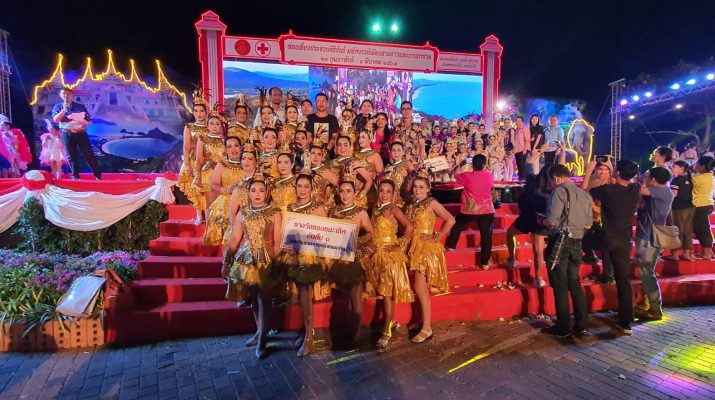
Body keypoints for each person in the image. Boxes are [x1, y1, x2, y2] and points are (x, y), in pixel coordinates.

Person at [223, 173, 284, 359]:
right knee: (254, 298)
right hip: (247, 262)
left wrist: (271, 260)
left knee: (265, 299)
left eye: (261, 190)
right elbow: (235, 239)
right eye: (253, 190)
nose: (257, 194)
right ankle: (259, 331)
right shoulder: (243, 213)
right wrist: (226, 261)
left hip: (266, 261)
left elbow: (278, 241)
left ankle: (263, 338)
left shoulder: (275, 213)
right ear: (248, 193)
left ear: (267, 193)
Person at [277, 174, 329, 357]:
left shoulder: (318, 208)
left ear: (312, 188)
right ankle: (305, 330)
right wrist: (287, 246)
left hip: (310, 257)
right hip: (295, 256)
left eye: (306, 186)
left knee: (306, 295)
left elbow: (326, 235)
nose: (303, 190)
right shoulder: (291, 207)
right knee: (299, 294)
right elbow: (286, 232)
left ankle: (309, 337)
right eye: (299, 186)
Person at [588, 160, 641, 335]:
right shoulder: (635, 189)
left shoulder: (607, 190)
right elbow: (629, 181)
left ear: (617, 172)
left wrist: (589, 171)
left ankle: (603, 271)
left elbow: (586, 190)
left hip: (608, 237)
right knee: (623, 279)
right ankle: (626, 321)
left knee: (585, 242)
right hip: (625, 239)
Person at [541, 164, 593, 338]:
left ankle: (563, 327)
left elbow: (552, 220)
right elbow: (588, 224)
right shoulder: (584, 194)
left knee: (560, 285)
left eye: (550, 180)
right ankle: (582, 325)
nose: (550, 183)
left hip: (560, 242)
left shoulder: (559, 192)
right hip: (577, 242)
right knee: (575, 284)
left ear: (556, 178)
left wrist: (541, 221)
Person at [405, 172, 455, 343]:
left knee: (420, 287)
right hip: (415, 248)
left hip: (426, 249)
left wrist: (436, 237)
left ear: (428, 188)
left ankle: (427, 328)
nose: (417, 190)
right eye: (415, 187)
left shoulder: (432, 203)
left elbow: (450, 219)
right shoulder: (412, 203)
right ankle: (422, 321)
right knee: (420, 287)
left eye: (421, 187)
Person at [328, 177, 376, 348]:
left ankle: (356, 336)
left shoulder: (361, 212)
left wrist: (355, 242)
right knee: (346, 297)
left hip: (354, 259)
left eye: (349, 191)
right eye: (342, 191)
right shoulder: (333, 211)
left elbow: (371, 233)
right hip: (339, 259)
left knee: (355, 298)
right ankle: (351, 329)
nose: (345, 195)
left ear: (355, 193)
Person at [371, 180, 414, 352]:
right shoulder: (375, 209)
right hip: (376, 254)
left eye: (388, 191)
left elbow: (409, 226)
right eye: (382, 191)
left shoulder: (394, 209)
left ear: (393, 193)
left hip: (389, 256)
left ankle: (386, 331)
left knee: (387, 294)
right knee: (381, 292)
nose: (384, 194)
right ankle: (389, 322)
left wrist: (400, 245)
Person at [634, 167, 673, 321]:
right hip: (650, 235)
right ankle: (647, 304)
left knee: (647, 272)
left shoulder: (661, 191)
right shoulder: (663, 191)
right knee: (647, 271)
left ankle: (655, 308)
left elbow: (641, 189)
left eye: (649, 176)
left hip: (649, 237)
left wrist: (644, 179)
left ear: (654, 179)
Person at [445, 155, 495, 269]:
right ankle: (485, 262)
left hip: (470, 209)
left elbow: (455, 175)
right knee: (486, 236)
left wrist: (460, 165)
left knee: (457, 224)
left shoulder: (467, 175)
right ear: (484, 164)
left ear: (472, 164)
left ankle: (451, 245)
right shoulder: (489, 176)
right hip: (487, 210)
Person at [203, 136, 245, 246]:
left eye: (236, 146)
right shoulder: (222, 164)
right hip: (226, 202)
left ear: (241, 147)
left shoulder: (247, 162)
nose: (233, 149)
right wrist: (227, 189)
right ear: (225, 150)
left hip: (244, 202)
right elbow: (213, 185)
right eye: (230, 146)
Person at [51, 87, 101, 180]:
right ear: (60, 95)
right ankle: (76, 177)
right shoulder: (57, 107)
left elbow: (89, 122)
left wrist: (80, 120)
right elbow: (56, 119)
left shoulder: (80, 106)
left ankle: (98, 176)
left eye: (68, 94)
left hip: (81, 133)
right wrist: (63, 110)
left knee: (89, 154)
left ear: (72, 95)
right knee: (71, 156)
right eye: (64, 94)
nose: (66, 96)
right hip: (67, 133)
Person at [581, 157, 616, 283]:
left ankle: (609, 275)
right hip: (592, 218)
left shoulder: (612, 182)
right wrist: (588, 172)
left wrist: (610, 166)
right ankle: (590, 255)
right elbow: (583, 191)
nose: (602, 172)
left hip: (607, 220)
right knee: (583, 238)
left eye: (605, 169)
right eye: (600, 169)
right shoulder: (592, 180)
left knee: (605, 248)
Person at [179, 89, 209, 224]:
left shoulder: (210, 127)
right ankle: (199, 215)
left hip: (207, 161)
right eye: (196, 111)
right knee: (195, 188)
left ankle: (208, 215)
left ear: (206, 112)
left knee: (206, 188)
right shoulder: (189, 127)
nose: (199, 114)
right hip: (193, 161)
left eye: (201, 111)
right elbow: (186, 146)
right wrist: (187, 164)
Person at [195, 109, 226, 220]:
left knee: (221, 204)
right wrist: (198, 177)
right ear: (207, 126)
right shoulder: (203, 140)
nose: (214, 126)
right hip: (208, 174)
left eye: (217, 124)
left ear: (221, 126)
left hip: (222, 175)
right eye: (212, 123)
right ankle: (209, 228)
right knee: (210, 204)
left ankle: (220, 229)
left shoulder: (225, 141)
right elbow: (198, 160)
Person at [668, 160, 695, 261]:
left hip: (678, 208)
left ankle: (675, 255)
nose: (672, 168)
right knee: (688, 230)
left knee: (677, 230)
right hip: (690, 207)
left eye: (674, 166)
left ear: (682, 168)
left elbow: (673, 194)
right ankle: (686, 253)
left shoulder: (676, 180)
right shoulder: (690, 179)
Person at [691, 156, 715, 260]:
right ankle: (709, 251)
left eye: (697, 163)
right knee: (705, 228)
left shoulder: (697, 178)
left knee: (702, 229)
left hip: (700, 205)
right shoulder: (711, 176)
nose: (695, 165)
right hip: (708, 204)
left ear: (702, 166)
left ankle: (706, 253)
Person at [383, 141, 415, 206]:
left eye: (399, 150)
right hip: (388, 197)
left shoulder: (406, 163)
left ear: (403, 152)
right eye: (393, 150)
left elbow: (414, 176)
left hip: (402, 197)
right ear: (390, 152)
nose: (396, 153)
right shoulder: (388, 166)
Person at [511, 116, 531, 180]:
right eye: (517, 121)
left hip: (523, 149)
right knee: (518, 164)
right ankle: (520, 177)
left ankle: (523, 178)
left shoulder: (525, 128)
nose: (518, 122)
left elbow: (527, 139)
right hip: (517, 149)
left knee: (522, 164)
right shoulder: (516, 129)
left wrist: (525, 149)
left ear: (522, 122)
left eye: (520, 121)